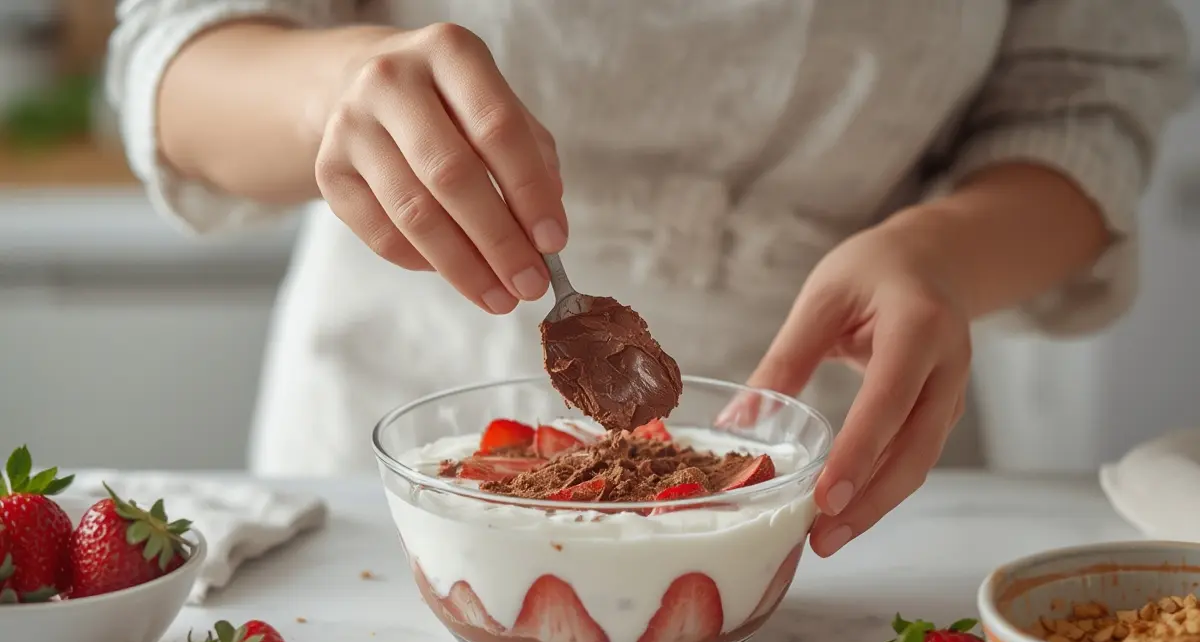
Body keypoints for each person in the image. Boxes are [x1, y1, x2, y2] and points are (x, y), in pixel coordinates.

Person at [107, 0, 1189, 557]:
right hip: (396, 431)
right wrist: (329, 93)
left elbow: (1088, 104)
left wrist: (946, 252)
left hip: (857, 459)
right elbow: (173, 54)